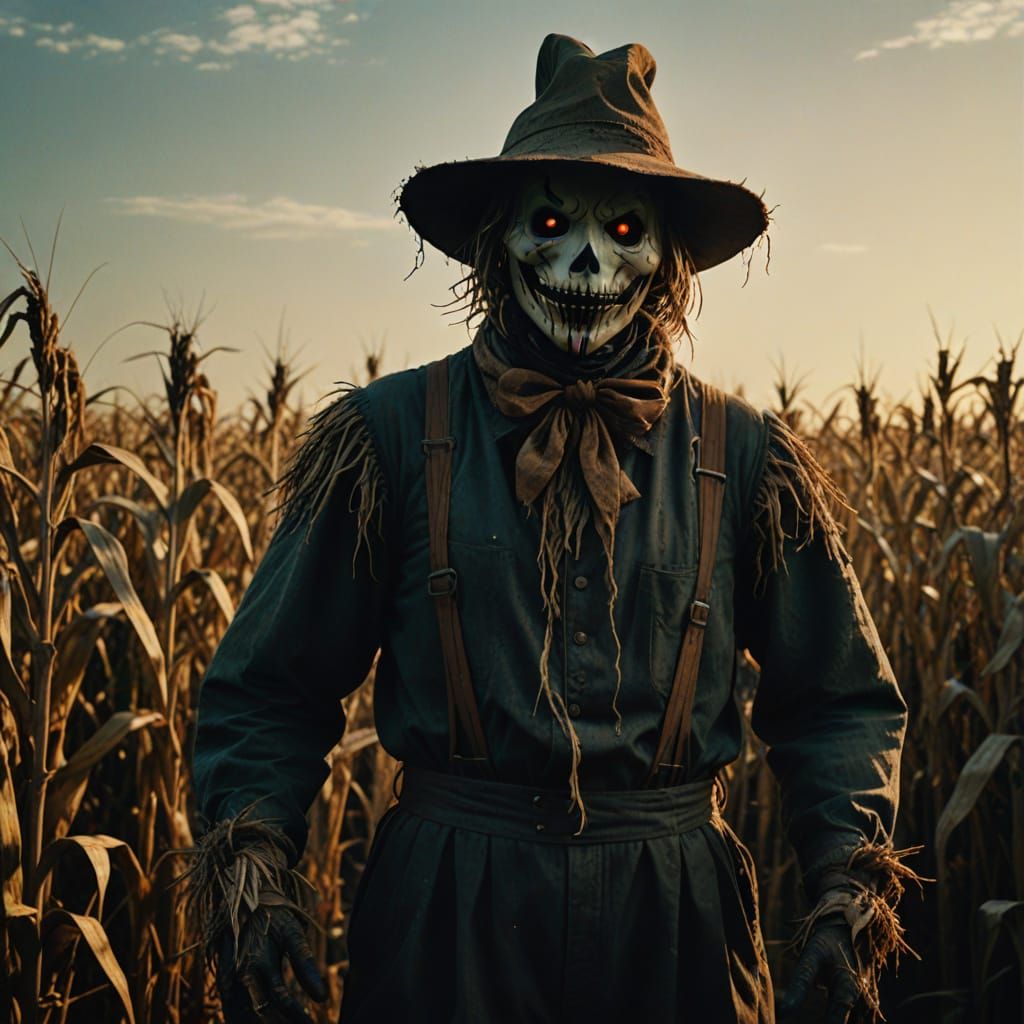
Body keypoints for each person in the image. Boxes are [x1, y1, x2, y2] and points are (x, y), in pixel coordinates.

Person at [187, 34, 916, 1024]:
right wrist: (253, 869)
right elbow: (269, 690)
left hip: (676, 925)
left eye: (622, 228)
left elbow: (840, 701)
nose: (583, 262)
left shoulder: (749, 457)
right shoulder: (384, 439)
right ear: (497, 241)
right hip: (448, 918)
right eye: (548, 222)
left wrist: (848, 884)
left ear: (668, 258)